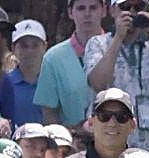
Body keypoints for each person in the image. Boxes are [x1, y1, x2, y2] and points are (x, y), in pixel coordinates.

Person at [84, 0, 149, 158]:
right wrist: (118, 37)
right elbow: (99, 82)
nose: (132, 12)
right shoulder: (98, 44)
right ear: (112, 10)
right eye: (125, 7)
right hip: (112, 145)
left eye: (138, 8)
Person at [35, 0, 108, 128]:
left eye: (93, 8)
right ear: (70, 12)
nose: (87, 13)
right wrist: (71, 136)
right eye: (81, 8)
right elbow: (49, 113)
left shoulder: (118, 50)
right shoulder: (53, 58)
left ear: (104, 10)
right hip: (73, 143)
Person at [0, 19, 44, 128]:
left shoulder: (53, 82)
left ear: (45, 47)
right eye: (24, 45)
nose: (29, 51)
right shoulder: (3, 82)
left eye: (35, 45)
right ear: (13, 48)